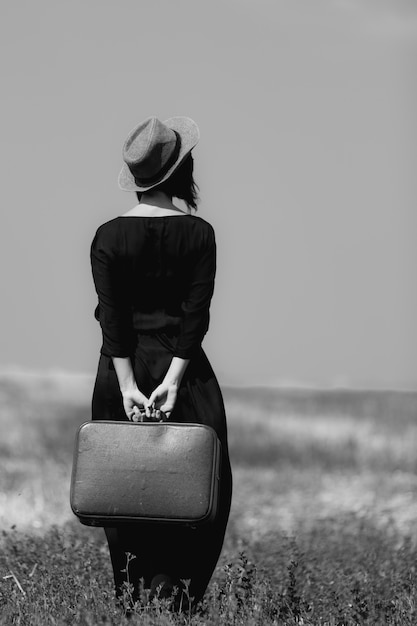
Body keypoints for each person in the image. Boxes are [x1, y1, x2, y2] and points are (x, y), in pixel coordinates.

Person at [90, 116, 233, 610]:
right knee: (198, 498)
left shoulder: (107, 237)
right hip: (188, 377)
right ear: (182, 171)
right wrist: (173, 381)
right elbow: (197, 317)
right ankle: (177, 609)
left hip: (119, 376)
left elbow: (113, 322)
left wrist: (128, 387)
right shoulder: (200, 234)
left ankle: (132, 609)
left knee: (123, 497)